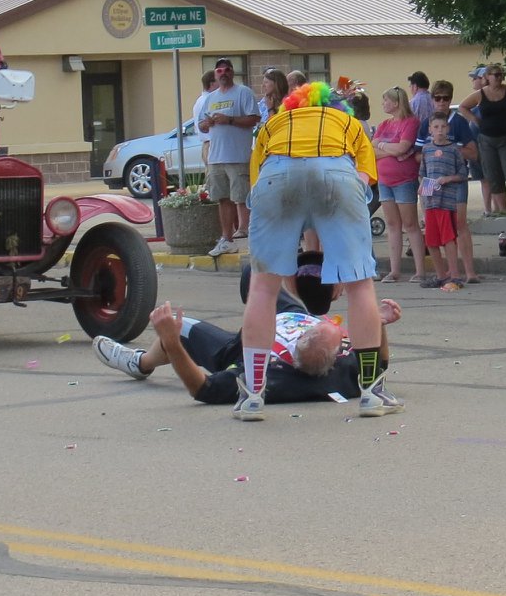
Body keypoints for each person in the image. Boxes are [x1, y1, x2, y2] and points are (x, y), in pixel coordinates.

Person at [237, 81, 391, 420]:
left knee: (263, 286)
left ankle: (253, 396)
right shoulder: (349, 123)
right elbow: (365, 178)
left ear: (293, 106)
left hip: (276, 172)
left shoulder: (272, 124)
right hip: (337, 170)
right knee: (360, 283)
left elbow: (256, 180)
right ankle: (372, 393)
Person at [95, 298, 402, 409]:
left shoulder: (270, 379)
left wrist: (173, 343)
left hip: (237, 346)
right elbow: (381, 361)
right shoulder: (349, 374)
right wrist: (379, 323)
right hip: (285, 315)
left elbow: (202, 388)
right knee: (255, 276)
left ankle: (140, 363)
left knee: (178, 327)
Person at [196, 58, 261, 257]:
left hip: (237, 156)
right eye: (219, 70)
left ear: (232, 72)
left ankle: (252, 242)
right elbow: (200, 124)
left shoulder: (243, 93)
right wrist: (206, 124)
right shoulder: (210, 97)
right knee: (222, 198)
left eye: (227, 70)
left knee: (242, 198)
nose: (223, 73)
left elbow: (254, 119)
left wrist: (230, 119)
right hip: (216, 157)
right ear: (215, 74)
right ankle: (227, 239)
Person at [460, 65, 506, 215]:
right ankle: (502, 210)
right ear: (487, 77)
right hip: (487, 139)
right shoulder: (480, 94)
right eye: (496, 75)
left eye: (501, 75)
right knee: (493, 175)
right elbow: (463, 107)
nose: (499, 77)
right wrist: (475, 119)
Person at [372, 86, 424, 282]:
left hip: (404, 179)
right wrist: (391, 150)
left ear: (396, 102)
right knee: (393, 224)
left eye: (386, 100)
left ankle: (420, 271)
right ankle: (395, 271)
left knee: (410, 224)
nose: (383, 104)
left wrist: (386, 147)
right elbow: (372, 149)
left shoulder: (410, 122)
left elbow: (404, 146)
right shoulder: (384, 124)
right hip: (384, 179)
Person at [418, 113, 470, 289]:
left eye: (443, 127)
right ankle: (441, 275)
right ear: (430, 130)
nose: (439, 131)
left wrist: (448, 179)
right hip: (430, 200)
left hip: (447, 201)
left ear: (448, 128)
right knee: (431, 240)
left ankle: (454, 275)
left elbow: (463, 174)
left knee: (448, 238)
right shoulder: (426, 149)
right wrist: (422, 187)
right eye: (436, 127)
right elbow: (423, 173)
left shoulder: (454, 149)